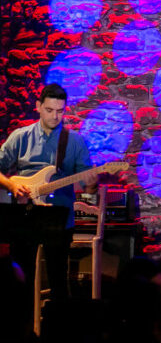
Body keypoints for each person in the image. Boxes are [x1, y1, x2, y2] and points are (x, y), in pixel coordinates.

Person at [0, 83, 95, 301]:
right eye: (49, 110)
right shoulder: (20, 137)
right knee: (21, 281)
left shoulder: (75, 141)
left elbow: (88, 189)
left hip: (59, 219)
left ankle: (57, 319)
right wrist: (12, 186)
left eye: (60, 111)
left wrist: (91, 184)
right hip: (25, 215)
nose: (55, 116)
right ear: (38, 106)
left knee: (58, 280)